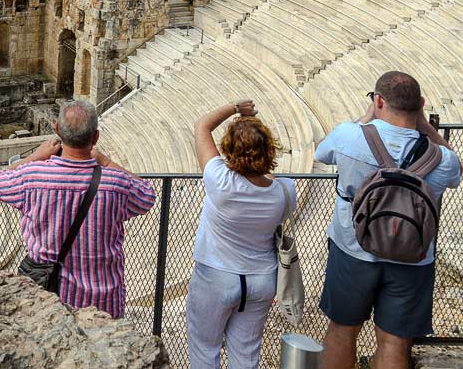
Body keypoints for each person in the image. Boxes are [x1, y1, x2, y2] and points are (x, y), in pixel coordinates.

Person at [316, 71, 461, 369]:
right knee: (394, 340)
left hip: (352, 250)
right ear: (420, 105)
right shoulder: (440, 159)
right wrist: (427, 128)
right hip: (413, 258)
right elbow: (456, 169)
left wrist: (368, 116)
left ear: (379, 100)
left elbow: (323, 153)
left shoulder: (349, 135)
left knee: (343, 330)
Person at [0, 100, 156, 318]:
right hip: (103, 301)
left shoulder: (33, 177)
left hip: (49, 298)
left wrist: (36, 156)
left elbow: (0, 181)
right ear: (95, 137)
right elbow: (147, 193)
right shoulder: (116, 184)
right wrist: (105, 162)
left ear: (57, 129)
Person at [185, 100, 294, 369]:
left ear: (229, 150)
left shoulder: (220, 181)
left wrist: (236, 108)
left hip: (216, 277)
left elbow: (202, 126)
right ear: (269, 149)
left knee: (204, 350)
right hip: (260, 279)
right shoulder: (284, 190)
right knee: (246, 355)